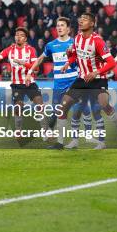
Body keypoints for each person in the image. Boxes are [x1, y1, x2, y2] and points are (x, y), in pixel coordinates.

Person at [55, 13, 117, 149]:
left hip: (97, 79)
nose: (81, 21)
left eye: (85, 19)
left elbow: (111, 62)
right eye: (80, 19)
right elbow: (75, 55)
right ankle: (62, 143)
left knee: (104, 105)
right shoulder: (77, 38)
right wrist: (68, 61)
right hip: (82, 79)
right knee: (63, 106)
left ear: (92, 24)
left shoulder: (97, 41)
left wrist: (96, 72)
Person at [26, 17, 100, 149]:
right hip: (59, 84)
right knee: (59, 112)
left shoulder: (76, 43)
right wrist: (30, 71)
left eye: (62, 25)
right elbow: (40, 59)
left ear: (68, 28)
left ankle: (88, 136)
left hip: (74, 81)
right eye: (57, 26)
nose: (59, 28)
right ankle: (60, 142)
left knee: (83, 109)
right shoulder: (51, 45)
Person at [0, 27, 46, 138]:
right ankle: (18, 131)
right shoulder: (10, 49)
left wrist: (22, 63)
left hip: (30, 83)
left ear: (25, 38)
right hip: (16, 84)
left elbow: (37, 69)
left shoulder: (31, 50)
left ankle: (45, 131)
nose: (18, 37)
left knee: (40, 104)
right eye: (16, 35)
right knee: (18, 106)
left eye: (21, 35)